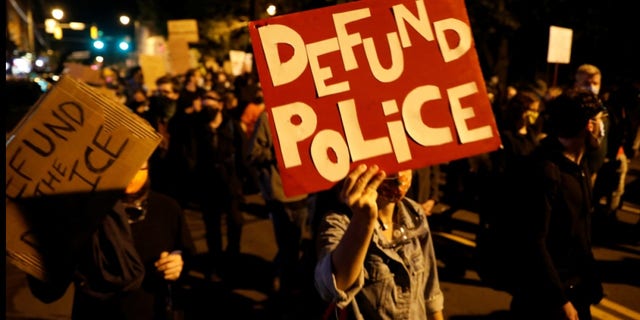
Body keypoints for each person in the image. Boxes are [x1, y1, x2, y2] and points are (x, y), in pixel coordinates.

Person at [24, 161, 194, 320]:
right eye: (125, 166)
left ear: (149, 168)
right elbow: (53, 276)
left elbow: (184, 251)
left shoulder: (167, 208)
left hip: (148, 310)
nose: (131, 175)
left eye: (139, 167)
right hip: (95, 311)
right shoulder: (87, 209)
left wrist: (177, 263)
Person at [510, 88, 606, 320]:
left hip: (576, 291)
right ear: (589, 126)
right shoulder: (546, 170)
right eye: (600, 121)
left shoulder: (579, 167)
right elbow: (533, 240)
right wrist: (560, 300)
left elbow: (579, 233)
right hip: (545, 300)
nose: (603, 130)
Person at [314, 165, 444, 319]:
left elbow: (430, 292)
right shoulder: (339, 222)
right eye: (390, 164)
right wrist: (363, 220)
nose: (399, 174)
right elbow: (334, 285)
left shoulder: (414, 213)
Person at [247, 110, 311, 298]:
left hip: (303, 190)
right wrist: (277, 151)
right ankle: (284, 288)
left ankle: (285, 279)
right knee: (287, 244)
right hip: (280, 193)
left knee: (296, 241)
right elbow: (252, 155)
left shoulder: (305, 111)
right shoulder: (267, 118)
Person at [192, 89, 249, 280]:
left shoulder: (232, 126)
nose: (207, 103)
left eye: (212, 99)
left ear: (220, 104)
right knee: (212, 227)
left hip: (230, 186)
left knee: (235, 223)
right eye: (204, 99)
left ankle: (233, 258)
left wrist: (246, 182)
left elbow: (243, 155)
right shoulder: (197, 127)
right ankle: (215, 261)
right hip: (208, 186)